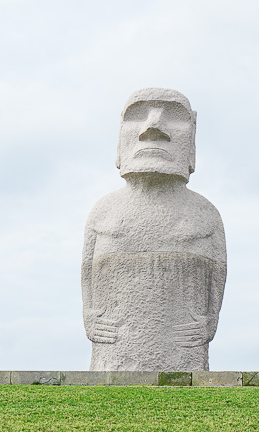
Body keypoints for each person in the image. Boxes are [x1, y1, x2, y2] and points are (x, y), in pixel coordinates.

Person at [82, 88, 227, 371]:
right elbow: (87, 270)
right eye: (136, 116)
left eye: (175, 117)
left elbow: (219, 272)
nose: (153, 127)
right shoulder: (103, 210)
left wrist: (209, 322)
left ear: (192, 139)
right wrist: (89, 316)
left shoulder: (205, 213)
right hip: (114, 342)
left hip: (183, 342)